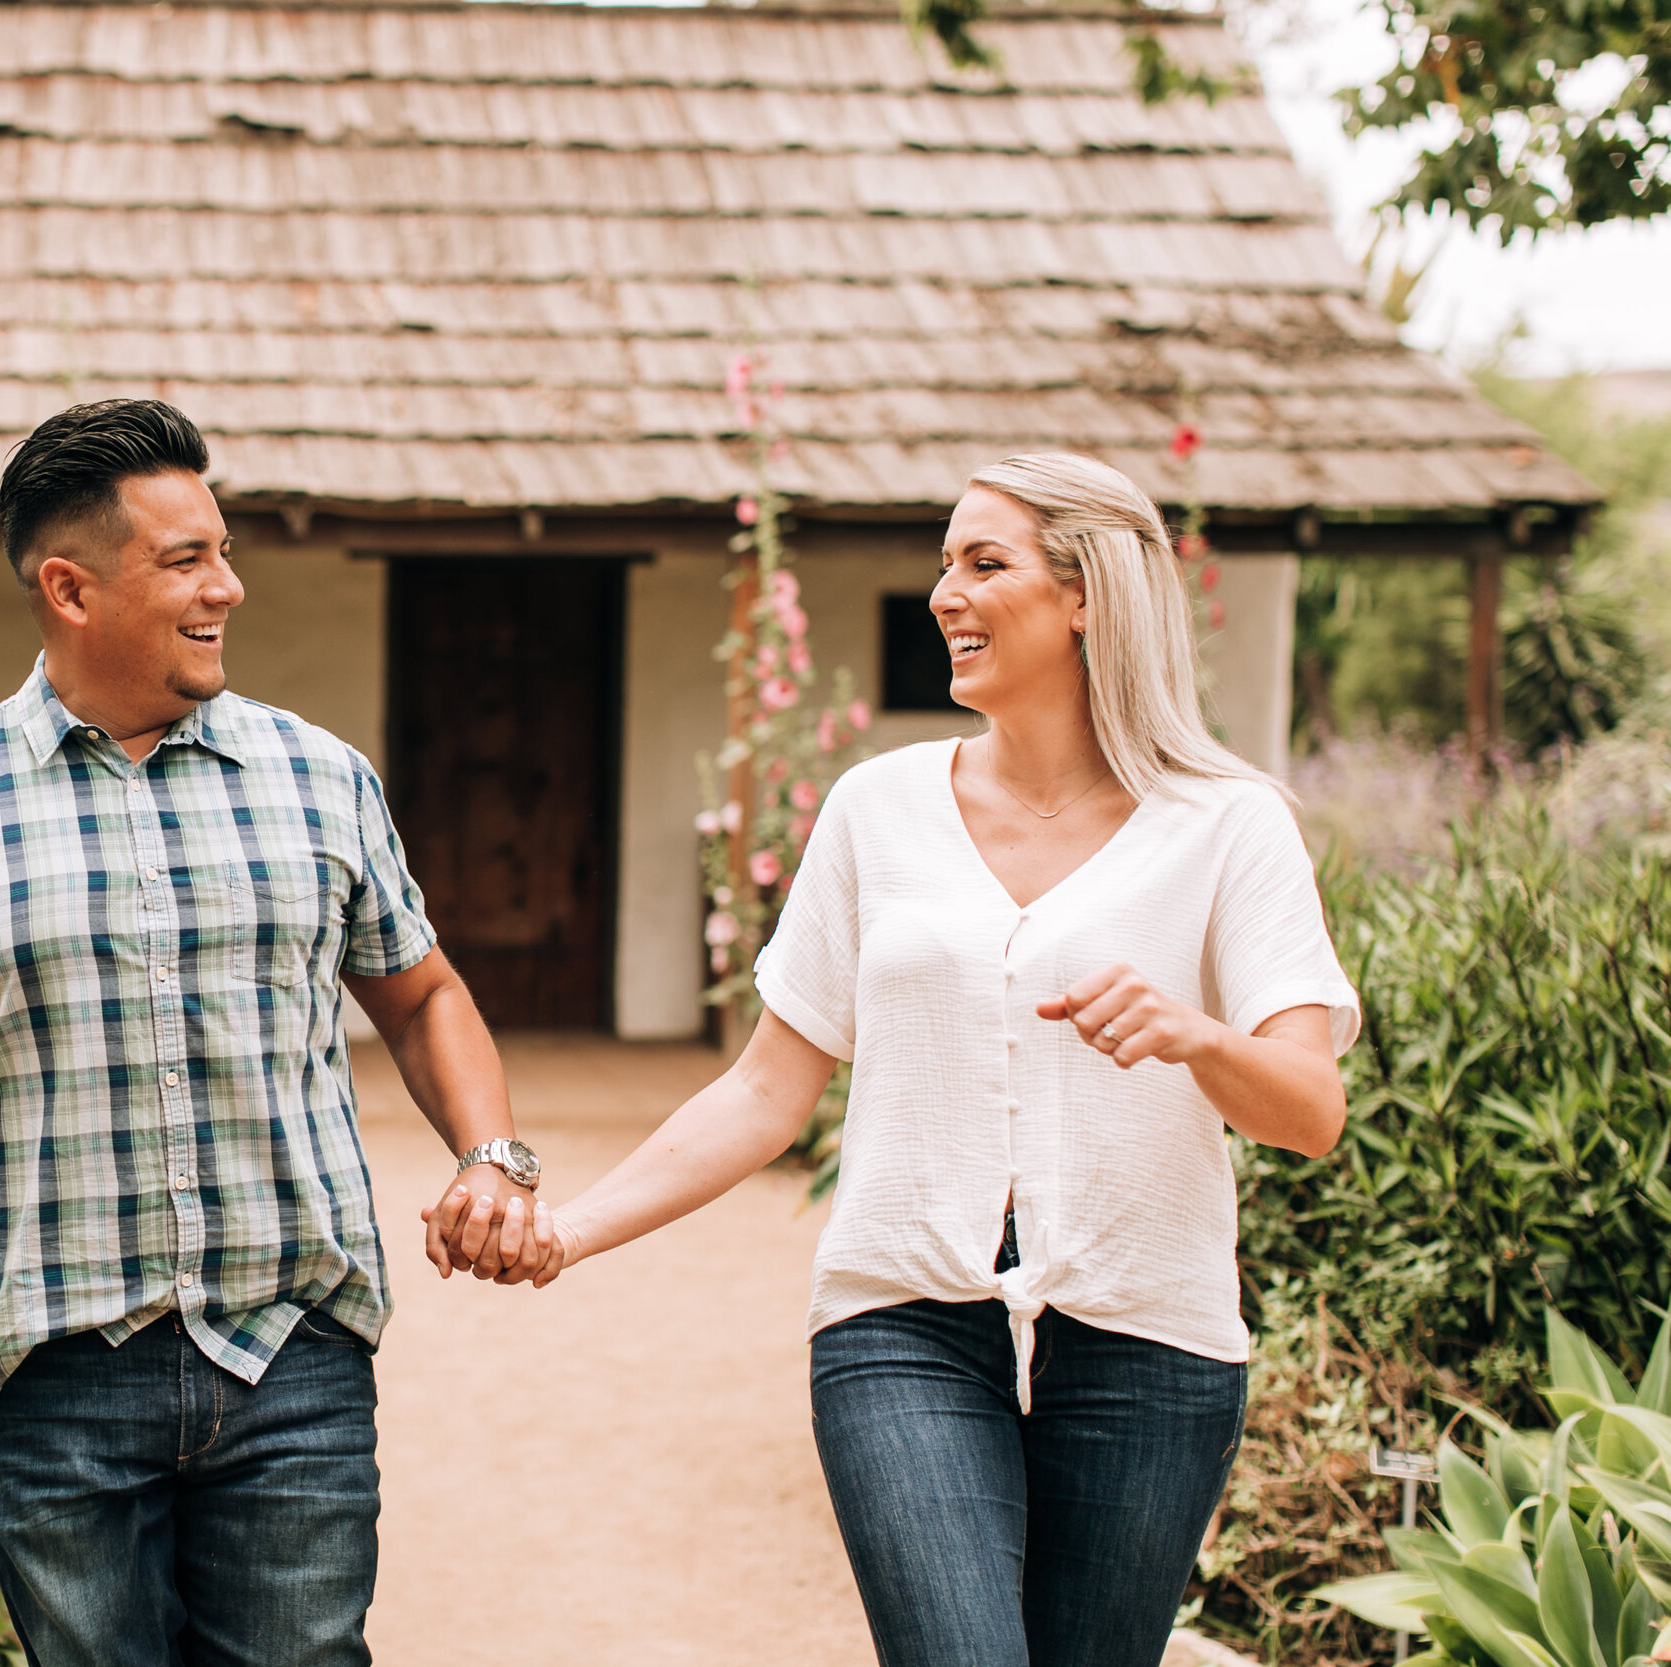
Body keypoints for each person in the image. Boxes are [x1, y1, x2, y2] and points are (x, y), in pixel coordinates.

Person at [458, 451, 1359, 1667]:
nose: (944, 592)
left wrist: (1196, 1035)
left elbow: (1310, 1107)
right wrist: (571, 1227)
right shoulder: (875, 808)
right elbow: (766, 1087)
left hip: (1151, 1344)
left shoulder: (1227, 822)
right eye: (943, 563)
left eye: (984, 563)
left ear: (1088, 592)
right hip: (904, 1324)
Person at [0, 398, 555, 1667]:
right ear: (70, 586)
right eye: (186, 559)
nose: (226, 585)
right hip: (51, 1372)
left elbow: (423, 993)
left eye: (221, 551)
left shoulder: (319, 777)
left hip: (291, 1349)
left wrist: (491, 1153)